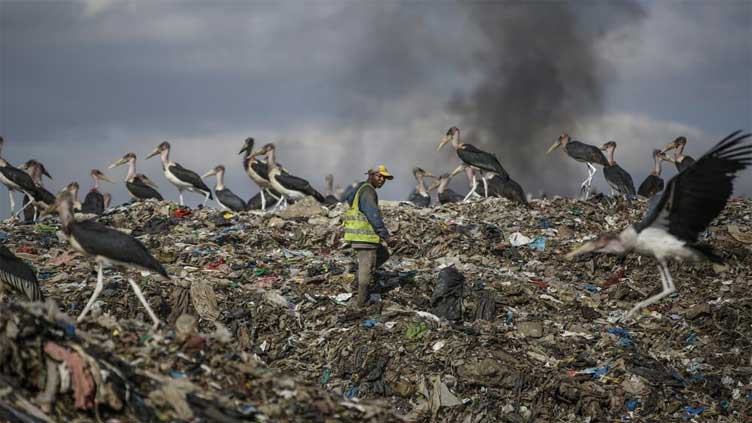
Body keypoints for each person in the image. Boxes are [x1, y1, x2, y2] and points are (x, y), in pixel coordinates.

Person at [343, 165, 393, 307]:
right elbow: (373, 214)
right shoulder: (368, 192)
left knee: (383, 254)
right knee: (367, 266)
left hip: (359, 236)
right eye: (379, 176)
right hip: (365, 237)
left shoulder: (360, 188)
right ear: (371, 175)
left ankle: (357, 282)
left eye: (385, 178)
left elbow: (349, 198)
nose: (382, 180)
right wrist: (385, 235)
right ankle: (362, 301)